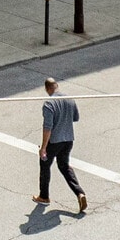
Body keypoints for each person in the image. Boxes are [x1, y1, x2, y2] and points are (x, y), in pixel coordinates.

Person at [33, 77, 87, 214]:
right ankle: (79, 193)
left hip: (54, 142)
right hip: (68, 140)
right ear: (57, 85)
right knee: (64, 166)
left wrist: (43, 148)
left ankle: (44, 196)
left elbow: (47, 127)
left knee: (45, 165)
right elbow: (76, 118)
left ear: (47, 89)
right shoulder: (70, 99)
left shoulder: (49, 104)